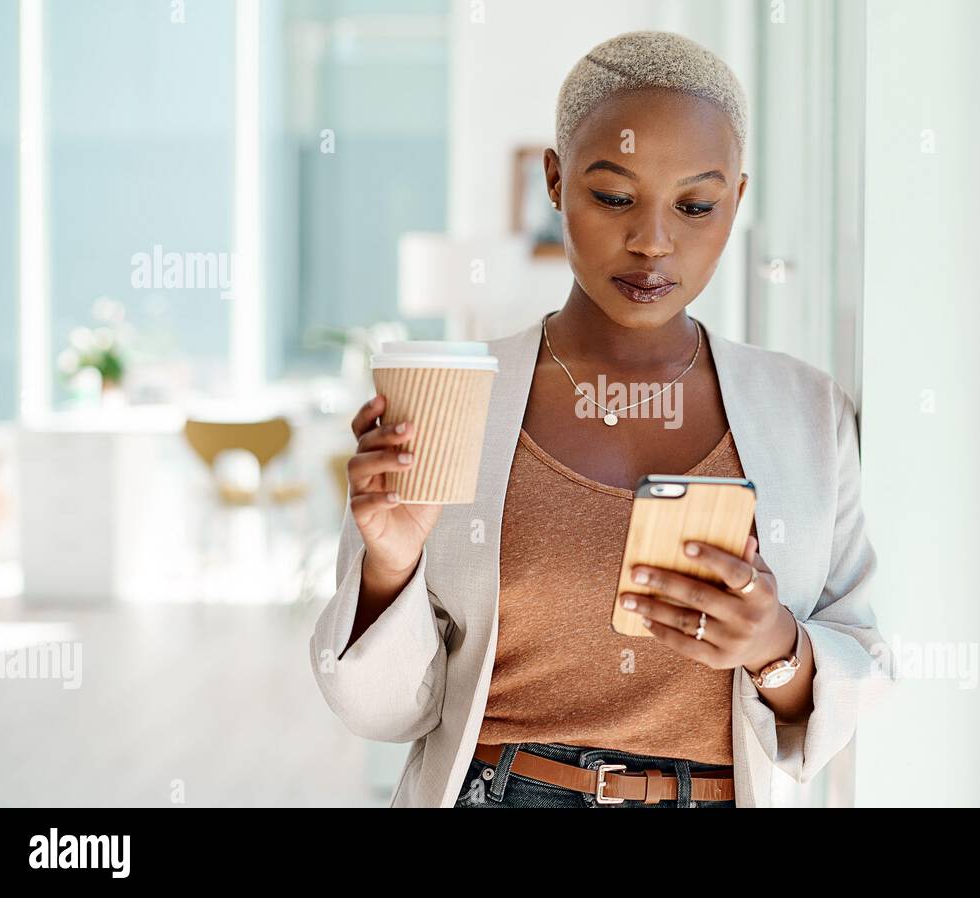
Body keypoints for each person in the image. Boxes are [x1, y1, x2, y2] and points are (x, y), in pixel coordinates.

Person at [311, 29, 893, 808]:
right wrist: (387, 569)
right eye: (614, 196)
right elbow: (382, 711)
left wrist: (775, 650)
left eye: (696, 205)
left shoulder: (807, 412)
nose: (652, 241)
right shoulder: (455, 400)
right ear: (555, 181)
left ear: (738, 202)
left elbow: (858, 665)